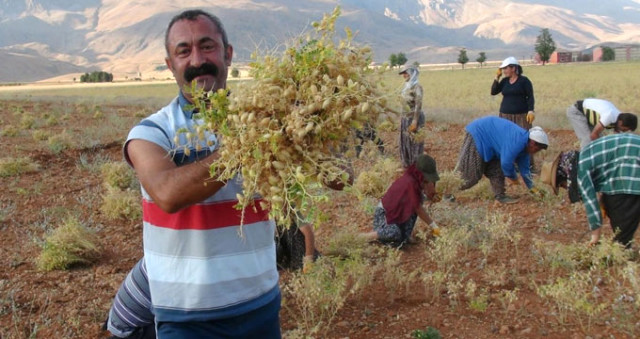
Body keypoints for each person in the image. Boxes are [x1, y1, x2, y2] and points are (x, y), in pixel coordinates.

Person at [106, 9, 281, 338]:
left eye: (207, 46)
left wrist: (316, 128)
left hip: (261, 303)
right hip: (188, 318)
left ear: (228, 54)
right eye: (183, 51)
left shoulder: (267, 119)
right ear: (170, 65)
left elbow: (338, 179)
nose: (198, 60)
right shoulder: (151, 132)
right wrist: (247, 142)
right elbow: (168, 193)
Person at [455, 116, 548, 204]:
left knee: (496, 170)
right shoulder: (518, 141)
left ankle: (500, 196)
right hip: (479, 134)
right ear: (532, 142)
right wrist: (513, 178)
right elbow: (506, 163)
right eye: (537, 149)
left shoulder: (525, 149)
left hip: (493, 144)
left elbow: (525, 171)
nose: (536, 152)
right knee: (471, 175)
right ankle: (447, 191)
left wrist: (534, 189)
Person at [360, 154, 441, 247]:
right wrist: (434, 226)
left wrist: (431, 192)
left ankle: (404, 236)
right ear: (420, 174)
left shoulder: (416, 180)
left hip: (398, 214)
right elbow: (418, 208)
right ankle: (367, 236)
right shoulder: (410, 182)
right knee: (394, 234)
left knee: (401, 242)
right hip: (385, 214)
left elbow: (423, 195)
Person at [577, 133, 640, 248]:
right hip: (630, 155)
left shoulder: (580, 168)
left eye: (563, 185)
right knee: (611, 202)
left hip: (632, 165)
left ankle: (622, 250)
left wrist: (595, 237)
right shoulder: (584, 154)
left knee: (622, 211)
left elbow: (590, 201)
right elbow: (606, 174)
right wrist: (603, 200)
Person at [491, 57, 537, 171]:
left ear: (514, 68)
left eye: (506, 68)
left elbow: (530, 97)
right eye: (503, 69)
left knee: (524, 139)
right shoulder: (505, 81)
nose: (504, 71)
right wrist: (497, 77)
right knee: (508, 139)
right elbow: (493, 91)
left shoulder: (524, 81)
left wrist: (531, 110)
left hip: (521, 115)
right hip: (505, 115)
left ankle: (528, 165)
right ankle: (511, 163)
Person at [566, 98, 637, 149]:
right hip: (577, 112)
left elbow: (617, 138)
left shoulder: (619, 118)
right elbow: (594, 135)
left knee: (600, 140)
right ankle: (583, 164)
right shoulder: (609, 116)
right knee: (587, 140)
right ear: (621, 123)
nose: (623, 131)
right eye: (624, 130)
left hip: (589, 117)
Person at [398, 66, 425, 167]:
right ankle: (407, 165)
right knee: (405, 141)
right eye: (403, 74)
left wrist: (415, 121)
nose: (404, 75)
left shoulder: (417, 87)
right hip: (405, 118)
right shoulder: (407, 87)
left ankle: (415, 166)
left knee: (414, 142)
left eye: (406, 73)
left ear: (412, 74)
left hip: (414, 118)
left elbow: (418, 105)